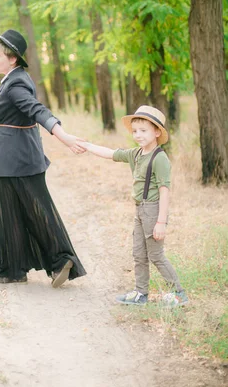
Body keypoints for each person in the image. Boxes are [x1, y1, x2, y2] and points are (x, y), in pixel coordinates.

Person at [0, 28, 87, 288]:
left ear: (13, 58)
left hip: (17, 160)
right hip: (12, 160)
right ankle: (16, 267)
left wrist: (63, 135)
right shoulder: (12, 79)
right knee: (18, 212)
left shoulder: (16, 83)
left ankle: (60, 260)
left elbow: (36, 110)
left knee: (35, 211)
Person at [77, 105, 188, 306]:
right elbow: (110, 153)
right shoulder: (135, 154)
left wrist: (161, 222)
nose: (138, 135)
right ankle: (140, 293)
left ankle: (178, 292)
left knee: (156, 255)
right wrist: (87, 146)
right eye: (135, 131)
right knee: (139, 254)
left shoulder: (159, 158)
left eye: (143, 131)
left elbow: (165, 191)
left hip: (153, 210)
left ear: (156, 132)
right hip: (140, 210)